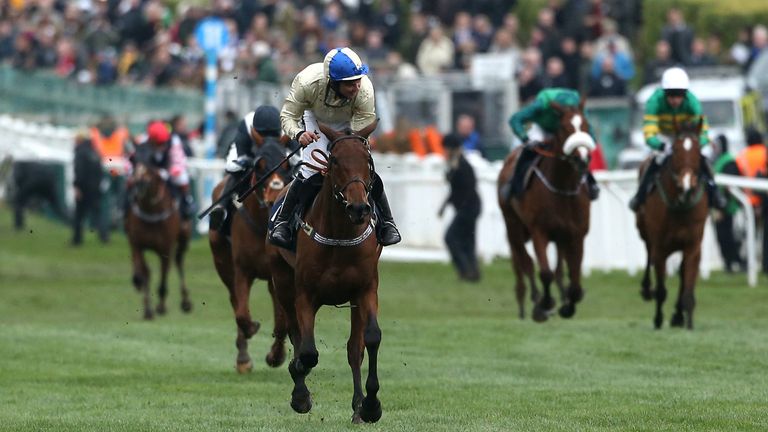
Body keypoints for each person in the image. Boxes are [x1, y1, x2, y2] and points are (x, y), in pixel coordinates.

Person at [269, 47, 401, 248]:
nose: (357, 86)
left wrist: (350, 152)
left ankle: (387, 223)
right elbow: (288, 116)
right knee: (311, 169)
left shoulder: (364, 89)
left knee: (361, 169)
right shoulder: (306, 82)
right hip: (316, 119)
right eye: (349, 84)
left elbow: (362, 127)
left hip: (351, 123)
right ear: (333, 82)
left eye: (358, 80)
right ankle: (283, 223)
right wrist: (299, 134)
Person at [628, 67, 727, 211]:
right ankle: (640, 195)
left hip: (685, 136)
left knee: (703, 160)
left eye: (679, 95)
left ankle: (715, 194)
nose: (675, 100)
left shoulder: (693, 104)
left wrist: (694, 146)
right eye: (671, 95)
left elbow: (704, 134)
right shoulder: (654, 102)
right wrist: (662, 146)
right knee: (654, 161)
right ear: (664, 92)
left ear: (685, 94)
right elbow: (649, 135)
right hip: (664, 136)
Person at [208, 104, 297, 230]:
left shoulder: (287, 125)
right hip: (250, 151)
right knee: (236, 170)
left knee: (297, 171)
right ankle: (221, 208)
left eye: (272, 134)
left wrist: (286, 159)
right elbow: (235, 163)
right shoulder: (247, 124)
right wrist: (251, 161)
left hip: (278, 155)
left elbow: (298, 156)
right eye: (263, 134)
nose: (268, 138)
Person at [504, 87, 601, 201]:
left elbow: (588, 128)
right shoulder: (542, 103)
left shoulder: (577, 105)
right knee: (529, 151)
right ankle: (515, 186)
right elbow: (515, 119)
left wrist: (591, 142)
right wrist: (526, 139)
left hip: (563, 128)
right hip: (541, 126)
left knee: (579, 153)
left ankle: (591, 183)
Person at [438, 133, 481, 282]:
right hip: (468, 208)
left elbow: (468, 187)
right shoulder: (455, 164)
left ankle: (465, 271)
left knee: (451, 238)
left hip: (469, 208)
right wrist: (444, 206)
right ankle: (473, 273)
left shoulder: (463, 165)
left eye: (446, 149)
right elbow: (453, 187)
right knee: (468, 241)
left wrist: (461, 209)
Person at [133, 120, 196, 220]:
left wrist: (167, 172)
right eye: (158, 143)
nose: (161, 146)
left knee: (181, 177)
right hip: (149, 170)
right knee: (131, 179)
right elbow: (138, 160)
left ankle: (186, 201)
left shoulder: (174, 140)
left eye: (163, 143)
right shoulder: (142, 141)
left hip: (168, 169)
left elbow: (178, 161)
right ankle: (125, 206)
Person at [712, 134, 746, 273]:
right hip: (719, 205)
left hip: (728, 207)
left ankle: (736, 262)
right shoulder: (718, 160)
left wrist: (722, 207)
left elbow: (729, 187)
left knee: (728, 236)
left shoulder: (728, 161)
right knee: (722, 236)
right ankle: (729, 263)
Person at [72, 130, 109, 245]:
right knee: (97, 213)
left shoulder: (80, 152)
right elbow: (100, 171)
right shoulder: (94, 151)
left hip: (84, 188)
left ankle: (77, 240)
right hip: (95, 188)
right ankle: (104, 237)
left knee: (79, 215)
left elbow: (79, 171)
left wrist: (77, 187)